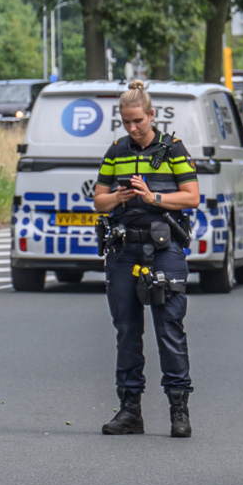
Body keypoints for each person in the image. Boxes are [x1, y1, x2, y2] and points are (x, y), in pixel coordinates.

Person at [93, 80, 200, 437]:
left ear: (152, 115)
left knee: (169, 328)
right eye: (126, 122)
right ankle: (129, 410)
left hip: (163, 249)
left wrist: (153, 198)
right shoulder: (116, 150)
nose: (132, 128)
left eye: (138, 120)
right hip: (125, 249)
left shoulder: (172, 150)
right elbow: (99, 200)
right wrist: (121, 197)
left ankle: (178, 410)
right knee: (126, 331)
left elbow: (191, 197)